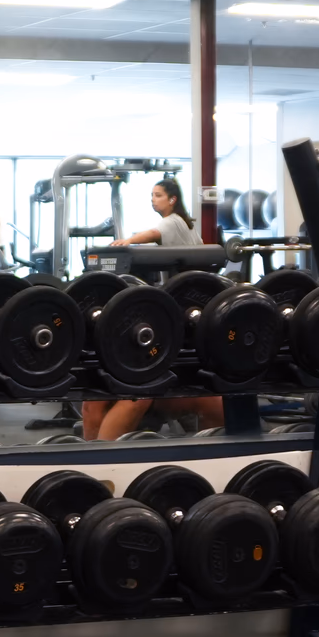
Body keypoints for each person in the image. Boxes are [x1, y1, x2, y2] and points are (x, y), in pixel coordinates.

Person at [83, 175, 222, 440]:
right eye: (151, 195)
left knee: (135, 397)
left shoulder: (173, 222)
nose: (153, 200)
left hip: (186, 314)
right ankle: (89, 457)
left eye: (158, 195)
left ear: (172, 200)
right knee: (93, 400)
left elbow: (153, 234)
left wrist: (127, 241)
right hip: (183, 306)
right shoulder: (186, 224)